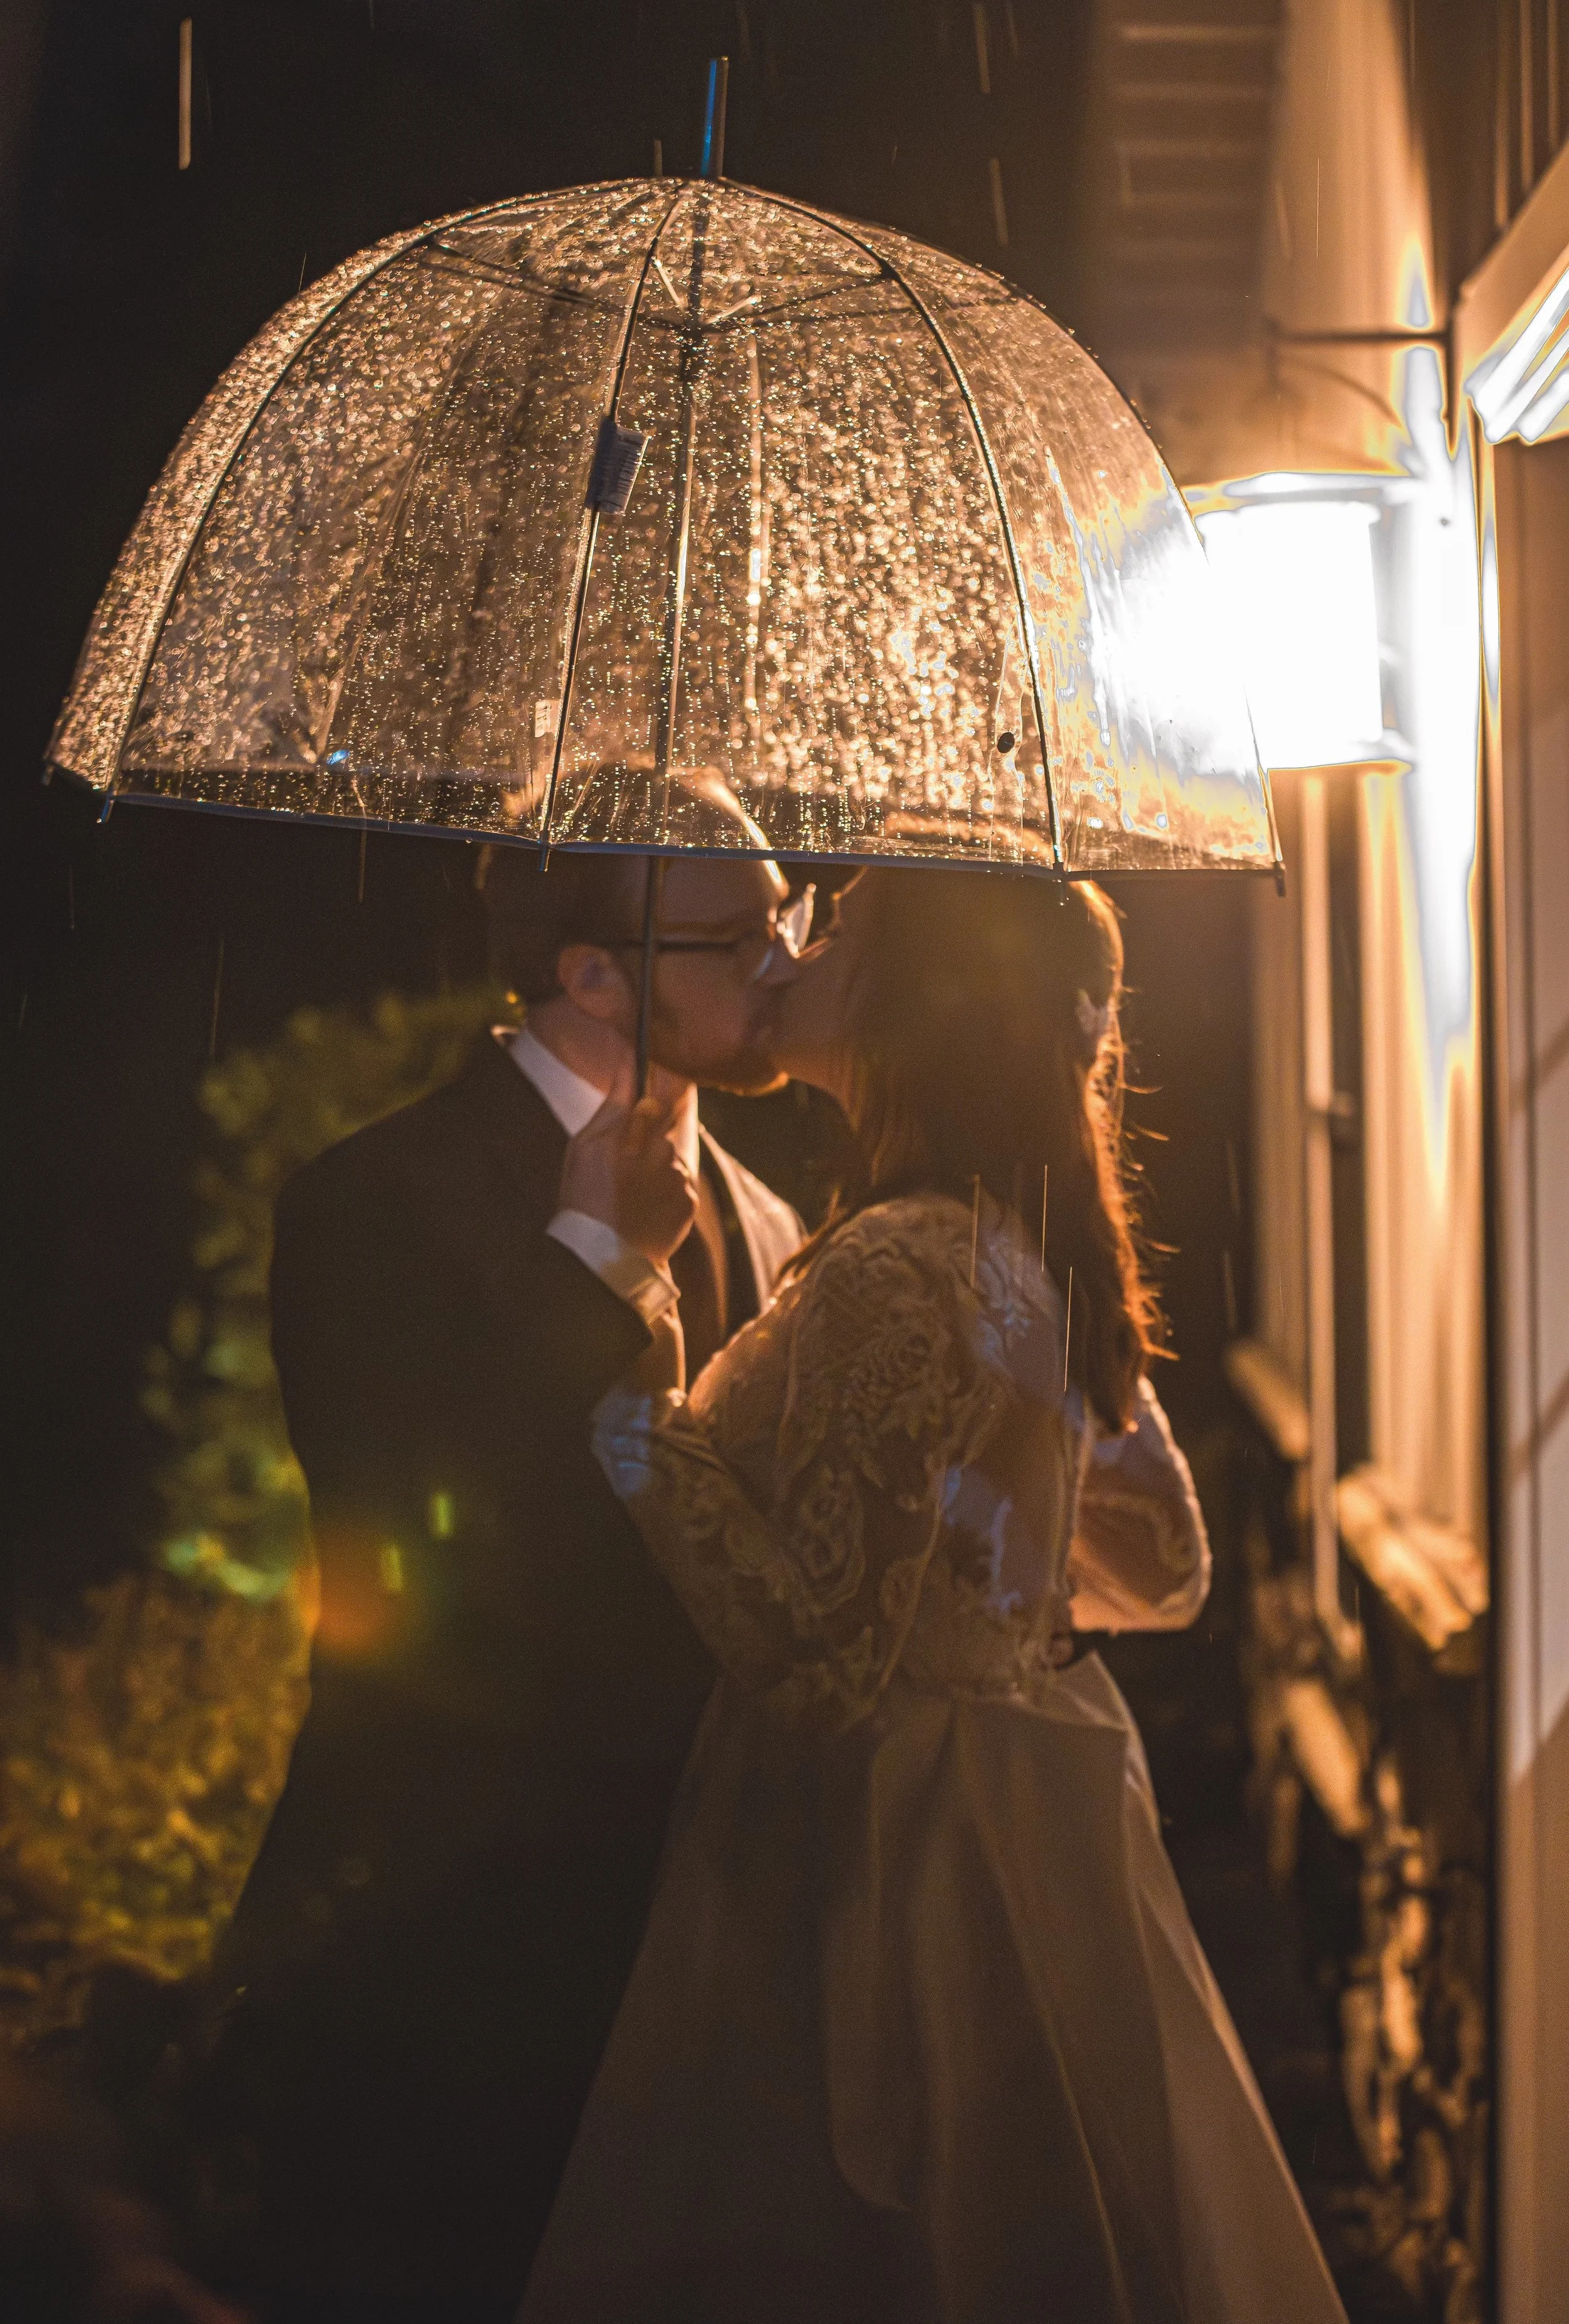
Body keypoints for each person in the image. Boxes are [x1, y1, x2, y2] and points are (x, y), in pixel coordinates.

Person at [522, 868, 1350, 2324]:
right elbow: (1167, 1569)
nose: (793, 944)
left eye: (831, 925)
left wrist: (628, 1362)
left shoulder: (904, 1259)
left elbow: (821, 1662)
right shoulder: (997, 1238)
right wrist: (988, 1575)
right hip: (1025, 1813)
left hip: (878, 1857)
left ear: (913, 1002)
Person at [198, 785, 807, 2324]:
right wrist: (592, 1266)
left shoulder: (778, 1220)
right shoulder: (370, 1203)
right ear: (591, 974)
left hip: (720, 1935)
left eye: (789, 917)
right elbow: (416, 1544)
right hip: (462, 1945)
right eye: (738, 937)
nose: (785, 963)